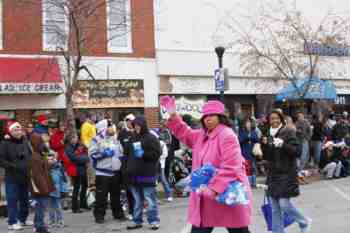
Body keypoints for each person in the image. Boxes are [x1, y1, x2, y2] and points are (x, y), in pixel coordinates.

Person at [167, 100, 252, 233]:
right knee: (200, 228)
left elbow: (231, 166)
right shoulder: (202, 134)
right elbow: (186, 134)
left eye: (212, 115)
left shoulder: (227, 135)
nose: (208, 119)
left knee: (238, 229)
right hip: (206, 196)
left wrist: (214, 189)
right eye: (205, 116)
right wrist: (173, 115)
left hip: (227, 193)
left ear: (221, 117)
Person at [261, 109, 311, 233]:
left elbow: (297, 152)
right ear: (268, 120)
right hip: (272, 175)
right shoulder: (268, 134)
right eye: (272, 118)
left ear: (281, 119)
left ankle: (303, 221)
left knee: (284, 204)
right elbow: (267, 156)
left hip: (287, 173)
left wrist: (283, 144)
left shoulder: (288, 132)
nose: (274, 121)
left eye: (277, 118)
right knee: (274, 208)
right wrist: (263, 145)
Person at [126, 116, 161, 231]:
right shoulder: (132, 137)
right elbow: (128, 154)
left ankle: (154, 221)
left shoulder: (151, 138)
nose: (136, 127)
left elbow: (157, 154)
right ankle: (137, 221)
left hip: (146, 174)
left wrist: (144, 154)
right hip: (134, 174)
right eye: (134, 125)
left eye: (138, 125)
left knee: (149, 199)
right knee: (137, 200)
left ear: (143, 125)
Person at [89, 120, 125, 223]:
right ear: (104, 128)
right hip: (102, 173)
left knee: (116, 195)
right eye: (110, 126)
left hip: (115, 172)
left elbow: (121, 152)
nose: (113, 128)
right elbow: (92, 154)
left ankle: (118, 214)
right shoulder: (96, 140)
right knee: (101, 196)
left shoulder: (115, 139)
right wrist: (104, 154)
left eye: (112, 126)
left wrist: (122, 160)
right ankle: (99, 215)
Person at [0, 121, 33, 231]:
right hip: (12, 176)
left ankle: (22, 219)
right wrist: (13, 166)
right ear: (10, 131)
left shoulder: (25, 141)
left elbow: (30, 154)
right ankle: (12, 222)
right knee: (12, 199)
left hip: (24, 175)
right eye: (15, 130)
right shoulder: (4, 143)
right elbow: (1, 160)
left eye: (19, 129)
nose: (18, 132)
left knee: (25, 199)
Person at [28, 133, 55, 233]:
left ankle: (38, 225)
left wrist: (49, 163)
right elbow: (37, 176)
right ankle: (39, 227)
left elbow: (43, 169)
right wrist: (44, 189)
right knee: (41, 207)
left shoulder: (39, 155)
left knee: (41, 206)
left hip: (43, 186)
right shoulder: (35, 157)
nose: (45, 144)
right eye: (42, 143)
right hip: (40, 188)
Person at [65, 135, 90, 213]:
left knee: (84, 186)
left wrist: (83, 157)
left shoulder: (78, 145)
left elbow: (86, 153)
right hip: (76, 170)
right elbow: (74, 158)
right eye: (74, 138)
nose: (76, 139)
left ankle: (83, 203)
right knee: (76, 188)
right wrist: (85, 158)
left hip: (82, 169)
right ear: (70, 139)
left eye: (76, 138)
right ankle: (75, 207)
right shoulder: (68, 148)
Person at [47, 153, 68, 228]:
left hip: (57, 191)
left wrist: (64, 190)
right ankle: (51, 221)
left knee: (58, 207)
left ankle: (60, 221)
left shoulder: (60, 168)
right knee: (50, 208)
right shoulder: (45, 168)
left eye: (51, 159)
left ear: (55, 159)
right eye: (48, 160)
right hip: (48, 191)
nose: (50, 161)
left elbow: (64, 180)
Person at [239, 118, 259, 188]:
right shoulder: (241, 131)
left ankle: (253, 183)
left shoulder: (253, 131)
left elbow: (257, 139)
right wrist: (247, 137)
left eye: (249, 123)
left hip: (252, 152)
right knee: (246, 168)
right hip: (244, 152)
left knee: (253, 167)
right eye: (247, 123)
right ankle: (248, 183)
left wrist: (251, 137)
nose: (248, 124)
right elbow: (239, 140)